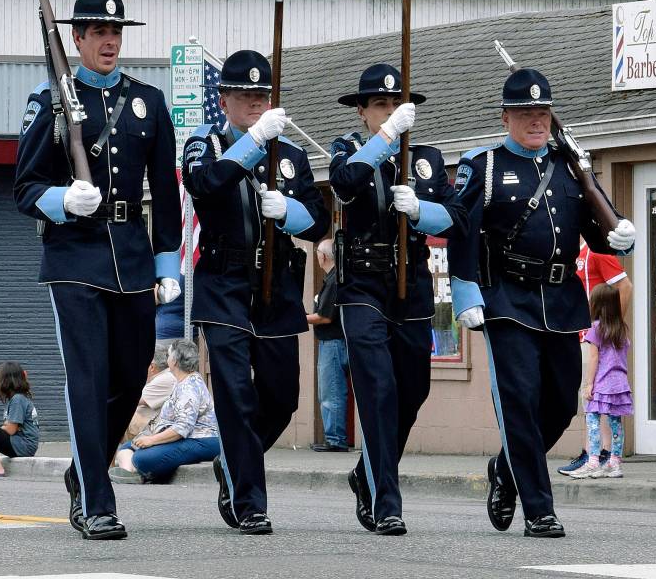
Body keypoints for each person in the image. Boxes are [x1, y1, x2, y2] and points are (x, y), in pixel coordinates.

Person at [14, 0, 181, 540]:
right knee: (88, 378)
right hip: (74, 257)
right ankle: (96, 501)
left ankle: (84, 469)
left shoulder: (147, 101)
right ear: (77, 38)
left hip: (132, 254)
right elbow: (25, 187)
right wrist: (63, 200)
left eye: (116, 32)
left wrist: (167, 263)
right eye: (98, 33)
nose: (109, 42)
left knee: (131, 375)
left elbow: (166, 187)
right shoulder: (51, 100)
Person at [448, 67, 636, 538]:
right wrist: (466, 291)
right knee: (520, 402)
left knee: (560, 403)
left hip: (559, 298)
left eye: (542, 112)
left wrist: (618, 236)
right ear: (506, 116)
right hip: (507, 299)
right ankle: (539, 508)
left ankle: (506, 470)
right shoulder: (485, 165)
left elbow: (594, 229)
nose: (536, 120)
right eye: (526, 113)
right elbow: (462, 229)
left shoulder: (569, 165)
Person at [181, 49, 329, 535]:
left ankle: (233, 464)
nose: (255, 105)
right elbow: (205, 185)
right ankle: (250, 501)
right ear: (223, 99)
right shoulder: (204, 141)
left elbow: (317, 218)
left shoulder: (288, 154)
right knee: (237, 397)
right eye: (245, 97)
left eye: (261, 96)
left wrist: (286, 210)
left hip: (276, 286)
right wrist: (251, 145)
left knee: (282, 396)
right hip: (224, 282)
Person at [329, 63, 465, 536]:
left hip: (411, 284)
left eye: (395, 104)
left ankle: (369, 469)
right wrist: (387, 136)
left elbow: (457, 218)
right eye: (380, 105)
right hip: (362, 285)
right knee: (378, 391)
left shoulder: (425, 158)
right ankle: (387, 500)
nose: (389, 111)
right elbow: (345, 183)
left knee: (413, 390)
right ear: (363, 112)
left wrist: (422, 210)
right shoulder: (349, 149)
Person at [558, 240, 632, 475]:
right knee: (591, 400)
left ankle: (599, 455)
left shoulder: (596, 249)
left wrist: (610, 330)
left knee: (595, 399)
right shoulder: (570, 247)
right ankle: (595, 454)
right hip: (578, 333)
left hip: (593, 337)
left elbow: (625, 286)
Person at [110, 338, 219, 484]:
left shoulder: (189, 387)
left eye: (169, 355)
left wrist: (151, 440)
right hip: (187, 438)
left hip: (201, 440)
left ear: (174, 361)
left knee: (140, 458)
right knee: (127, 447)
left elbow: (183, 427)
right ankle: (132, 474)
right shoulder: (181, 381)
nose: (166, 359)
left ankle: (135, 471)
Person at [569, 283, 632, 479]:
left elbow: (594, 359)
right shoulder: (622, 329)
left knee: (593, 420)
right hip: (619, 383)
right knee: (616, 423)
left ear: (596, 304)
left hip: (602, 383)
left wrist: (589, 384)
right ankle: (615, 463)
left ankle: (593, 462)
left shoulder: (595, 329)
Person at [306, 239, 349, 452]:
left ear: (323, 257)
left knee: (331, 392)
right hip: (333, 342)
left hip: (332, 343)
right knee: (332, 391)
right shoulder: (332, 279)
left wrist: (299, 318)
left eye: (317, 253)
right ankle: (334, 437)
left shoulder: (333, 281)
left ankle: (335, 439)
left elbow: (324, 317)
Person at [124, 341, 176, 442]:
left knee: (109, 416)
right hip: (144, 426)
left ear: (152, 367)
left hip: (149, 430)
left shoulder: (165, 378)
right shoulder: (161, 377)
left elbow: (130, 401)